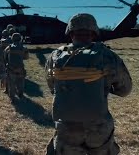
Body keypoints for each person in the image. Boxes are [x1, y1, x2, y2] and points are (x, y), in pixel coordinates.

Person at [45, 13, 132, 155]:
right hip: (98, 128)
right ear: (94, 32)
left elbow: (52, 87)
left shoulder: (55, 57)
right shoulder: (107, 55)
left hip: (66, 128)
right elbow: (125, 90)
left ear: (70, 32)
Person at [4, 33, 29, 101]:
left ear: (12, 39)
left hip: (11, 68)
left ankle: (12, 97)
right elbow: (26, 57)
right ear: (20, 38)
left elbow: (5, 56)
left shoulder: (9, 47)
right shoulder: (23, 48)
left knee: (11, 83)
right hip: (20, 68)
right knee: (20, 81)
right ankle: (20, 93)